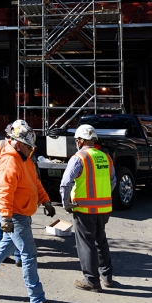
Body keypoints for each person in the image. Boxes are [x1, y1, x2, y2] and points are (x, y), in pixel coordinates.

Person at [0, 120, 55, 302]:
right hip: (16, 216)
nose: (31, 150)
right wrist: (6, 218)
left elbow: (36, 183)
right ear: (18, 143)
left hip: (20, 214)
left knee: (3, 249)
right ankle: (37, 298)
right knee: (29, 255)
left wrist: (46, 200)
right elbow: (3, 193)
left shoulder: (25, 159)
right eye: (28, 146)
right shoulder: (10, 162)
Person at [59, 124, 117, 293]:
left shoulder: (79, 158)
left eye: (77, 140)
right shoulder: (105, 157)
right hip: (103, 209)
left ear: (81, 141)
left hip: (84, 209)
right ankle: (107, 277)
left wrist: (66, 204)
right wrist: (102, 196)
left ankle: (91, 280)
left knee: (86, 244)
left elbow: (65, 184)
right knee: (101, 241)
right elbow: (112, 181)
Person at [0, 140, 21, 266]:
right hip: (22, 195)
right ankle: (19, 257)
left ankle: (2, 255)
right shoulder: (28, 147)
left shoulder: (1, 145)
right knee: (18, 225)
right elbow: (34, 173)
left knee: (3, 220)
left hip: (5, 190)